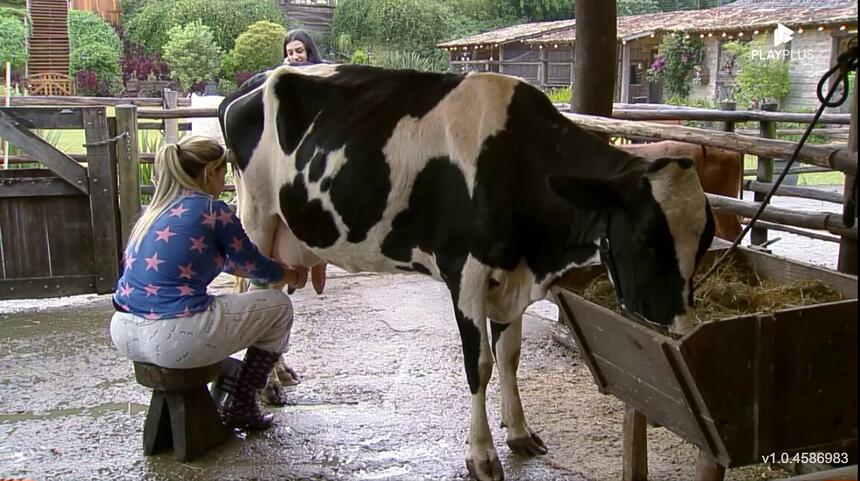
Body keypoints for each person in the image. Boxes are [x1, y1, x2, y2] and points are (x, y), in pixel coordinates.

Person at [109, 135, 308, 432]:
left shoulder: (153, 213)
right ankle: (243, 402)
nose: (224, 179)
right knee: (279, 307)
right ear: (209, 173)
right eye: (222, 173)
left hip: (125, 332)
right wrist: (292, 275)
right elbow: (252, 264)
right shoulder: (213, 210)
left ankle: (229, 376)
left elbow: (216, 259)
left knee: (215, 311)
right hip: (175, 337)